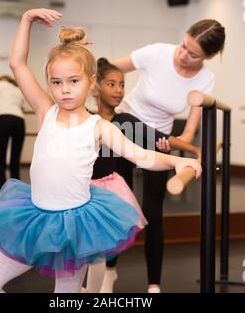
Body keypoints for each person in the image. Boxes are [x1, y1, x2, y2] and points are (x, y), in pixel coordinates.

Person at [0, 8, 201, 293]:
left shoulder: (99, 127)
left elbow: (142, 156)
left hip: (73, 227)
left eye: (74, 81)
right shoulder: (46, 110)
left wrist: (176, 162)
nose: (64, 90)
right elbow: (17, 64)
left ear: (91, 82)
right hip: (34, 218)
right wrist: (26, 19)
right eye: (56, 82)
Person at [111, 19, 226, 293]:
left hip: (158, 141)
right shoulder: (158, 52)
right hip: (122, 129)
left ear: (209, 57)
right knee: (115, 203)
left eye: (193, 54)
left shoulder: (205, 79)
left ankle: (154, 284)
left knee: (153, 212)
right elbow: (110, 71)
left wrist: (175, 145)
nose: (183, 55)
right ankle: (108, 270)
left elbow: (187, 133)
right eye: (184, 45)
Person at [84, 58, 200, 293]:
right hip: (88, 193)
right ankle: (104, 274)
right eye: (111, 84)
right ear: (95, 87)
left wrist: (195, 150)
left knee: (122, 228)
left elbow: (159, 136)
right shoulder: (86, 120)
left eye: (122, 85)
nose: (119, 90)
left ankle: (136, 280)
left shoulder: (124, 121)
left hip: (116, 190)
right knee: (93, 242)